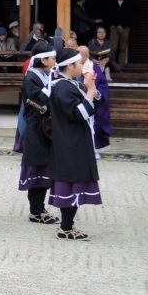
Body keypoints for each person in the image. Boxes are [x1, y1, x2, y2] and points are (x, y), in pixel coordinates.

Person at [48, 47, 104, 240]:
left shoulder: (72, 84)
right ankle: (65, 227)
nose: (82, 66)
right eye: (79, 63)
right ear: (70, 65)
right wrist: (89, 91)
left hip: (76, 140)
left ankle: (67, 226)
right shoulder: (62, 87)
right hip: (69, 141)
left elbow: (94, 104)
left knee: (75, 182)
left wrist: (92, 89)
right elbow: (79, 113)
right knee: (71, 183)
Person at [17, 42, 58, 224]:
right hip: (35, 129)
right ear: (43, 60)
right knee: (37, 170)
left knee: (44, 169)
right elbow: (38, 102)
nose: (55, 61)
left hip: (44, 128)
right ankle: (35, 211)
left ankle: (40, 209)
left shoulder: (44, 75)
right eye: (52, 58)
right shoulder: (31, 78)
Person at [77, 45, 111, 151]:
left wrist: (92, 91)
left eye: (81, 54)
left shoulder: (92, 66)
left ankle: (94, 148)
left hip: (90, 99)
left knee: (93, 124)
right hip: (76, 99)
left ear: (86, 55)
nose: (79, 56)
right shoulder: (73, 65)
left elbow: (101, 84)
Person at [108, 0, 130, 68]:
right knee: (113, 47)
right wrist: (117, 25)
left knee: (123, 48)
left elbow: (129, 16)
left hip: (125, 28)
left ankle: (121, 67)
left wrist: (124, 26)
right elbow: (110, 15)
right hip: (114, 27)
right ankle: (112, 66)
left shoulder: (128, 3)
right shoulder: (112, 3)